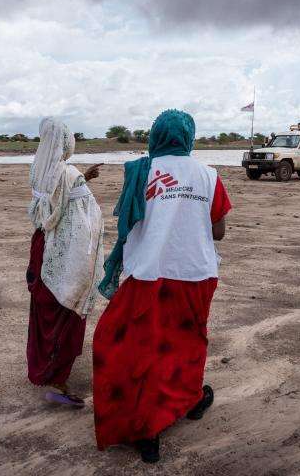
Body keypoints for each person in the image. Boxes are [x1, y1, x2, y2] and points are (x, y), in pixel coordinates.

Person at [93, 109, 232, 463]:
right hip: (195, 274)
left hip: (149, 273)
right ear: (188, 137)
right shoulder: (209, 176)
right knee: (188, 341)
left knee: (142, 347)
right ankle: (190, 400)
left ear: (156, 136)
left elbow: (128, 221)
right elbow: (218, 231)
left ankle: (148, 428)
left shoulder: (142, 172)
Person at [26, 117, 104, 407]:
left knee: (44, 310)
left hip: (41, 246)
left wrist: (83, 176)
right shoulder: (71, 176)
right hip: (64, 251)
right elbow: (87, 220)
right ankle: (58, 382)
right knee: (66, 309)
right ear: (65, 142)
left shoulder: (38, 171)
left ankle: (41, 368)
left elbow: (57, 197)